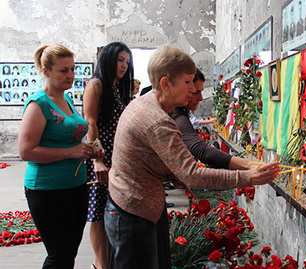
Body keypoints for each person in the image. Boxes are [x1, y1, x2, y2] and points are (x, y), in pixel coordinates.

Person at [104, 45, 279, 269]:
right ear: (166, 84)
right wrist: (248, 177)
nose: (193, 89)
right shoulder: (158, 121)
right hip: (133, 213)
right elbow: (193, 175)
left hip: (128, 205)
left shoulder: (143, 103)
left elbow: (146, 157)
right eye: (187, 82)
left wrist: (170, 171)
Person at [18, 44, 103, 268]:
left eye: (72, 69)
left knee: (69, 252)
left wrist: (88, 150)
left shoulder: (65, 100)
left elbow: (70, 139)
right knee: (60, 255)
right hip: (48, 189)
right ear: (46, 71)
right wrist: (71, 152)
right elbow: (26, 151)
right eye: (63, 70)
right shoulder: (39, 104)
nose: (71, 75)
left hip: (74, 185)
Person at [83, 41, 134, 269]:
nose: (123, 65)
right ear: (108, 59)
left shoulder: (117, 89)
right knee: (97, 211)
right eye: (119, 60)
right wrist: (98, 160)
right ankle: (100, 264)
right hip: (101, 158)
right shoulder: (96, 84)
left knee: (111, 210)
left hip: (117, 159)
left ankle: (107, 262)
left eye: (126, 61)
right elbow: (90, 123)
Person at [169, 69, 246, 169]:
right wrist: (248, 166)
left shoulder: (179, 112)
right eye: (195, 92)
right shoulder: (177, 116)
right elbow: (201, 150)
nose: (201, 98)